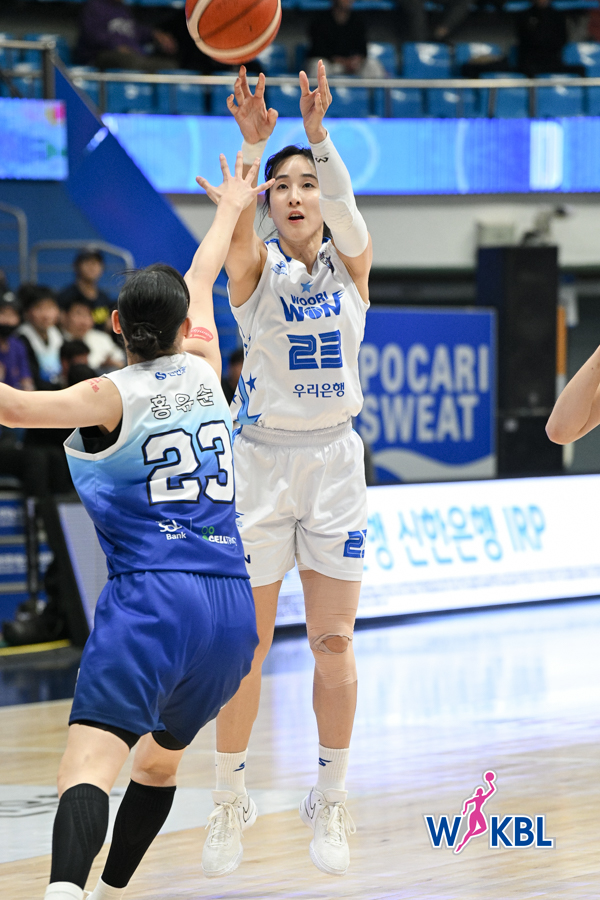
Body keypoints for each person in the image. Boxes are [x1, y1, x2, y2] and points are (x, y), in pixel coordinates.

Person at [0, 153, 271, 900]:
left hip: (153, 596)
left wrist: (230, 208)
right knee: (157, 763)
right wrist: (233, 202)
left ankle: (65, 892)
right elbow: (203, 271)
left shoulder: (105, 394)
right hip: (231, 607)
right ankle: (113, 890)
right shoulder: (206, 363)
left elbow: (12, 407)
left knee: (87, 767)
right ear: (186, 326)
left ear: (116, 325)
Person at [200, 62, 371, 879]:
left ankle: (330, 797)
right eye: (283, 187)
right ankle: (229, 796)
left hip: (335, 464)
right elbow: (234, 235)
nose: (298, 195)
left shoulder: (354, 266)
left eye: (309, 184)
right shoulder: (256, 271)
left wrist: (317, 135)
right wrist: (251, 148)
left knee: (335, 642)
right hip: (262, 464)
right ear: (268, 202)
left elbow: (349, 213)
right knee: (247, 647)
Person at [74, 0, 178, 71]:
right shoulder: (94, 6)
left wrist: (154, 34)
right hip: (101, 56)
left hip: (132, 55)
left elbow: (134, 31)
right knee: (130, 61)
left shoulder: (123, 9)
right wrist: (116, 46)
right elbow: (92, 35)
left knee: (169, 66)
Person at [306, 0, 385, 78]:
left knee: (372, 64)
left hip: (353, 65)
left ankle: (379, 87)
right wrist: (342, 61)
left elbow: (363, 50)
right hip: (331, 64)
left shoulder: (357, 21)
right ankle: (318, 87)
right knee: (318, 65)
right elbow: (318, 50)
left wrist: (356, 60)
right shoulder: (320, 21)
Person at [61, 296, 125, 372]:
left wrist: (110, 364)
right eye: (78, 314)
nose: (83, 321)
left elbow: (121, 362)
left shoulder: (102, 338)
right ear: (65, 315)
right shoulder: (57, 338)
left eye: (87, 315)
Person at [17, 285, 63, 389]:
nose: (46, 315)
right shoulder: (21, 338)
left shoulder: (56, 334)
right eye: (39, 308)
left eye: (50, 308)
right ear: (27, 312)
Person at [57, 249, 113, 332]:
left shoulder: (104, 298)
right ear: (77, 266)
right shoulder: (66, 296)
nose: (92, 267)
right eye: (87, 262)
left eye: (96, 263)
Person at [0, 292, 34, 391]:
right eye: (3, 313)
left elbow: (26, 380)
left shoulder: (18, 345)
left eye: (12, 314)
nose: (7, 320)